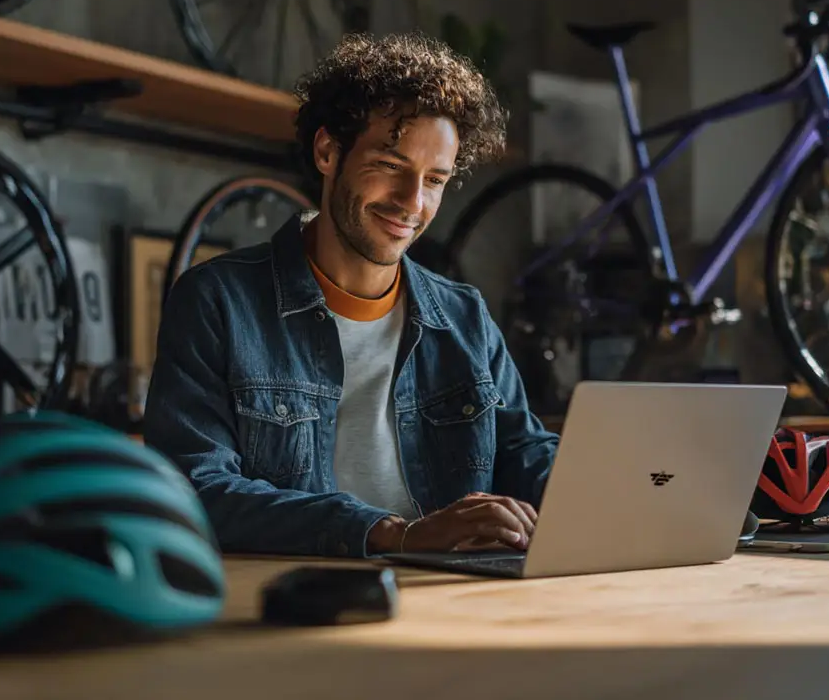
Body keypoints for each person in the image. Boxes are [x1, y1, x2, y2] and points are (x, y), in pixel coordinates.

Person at [143, 32, 559, 558]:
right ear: (327, 151)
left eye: (434, 180)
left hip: (457, 592)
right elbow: (195, 490)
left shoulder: (464, 316)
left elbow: (524, 453)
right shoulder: (217, 302)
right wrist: (392, 533)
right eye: (390, 166)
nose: (413, 203)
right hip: (299, 597)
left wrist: (631, 488)